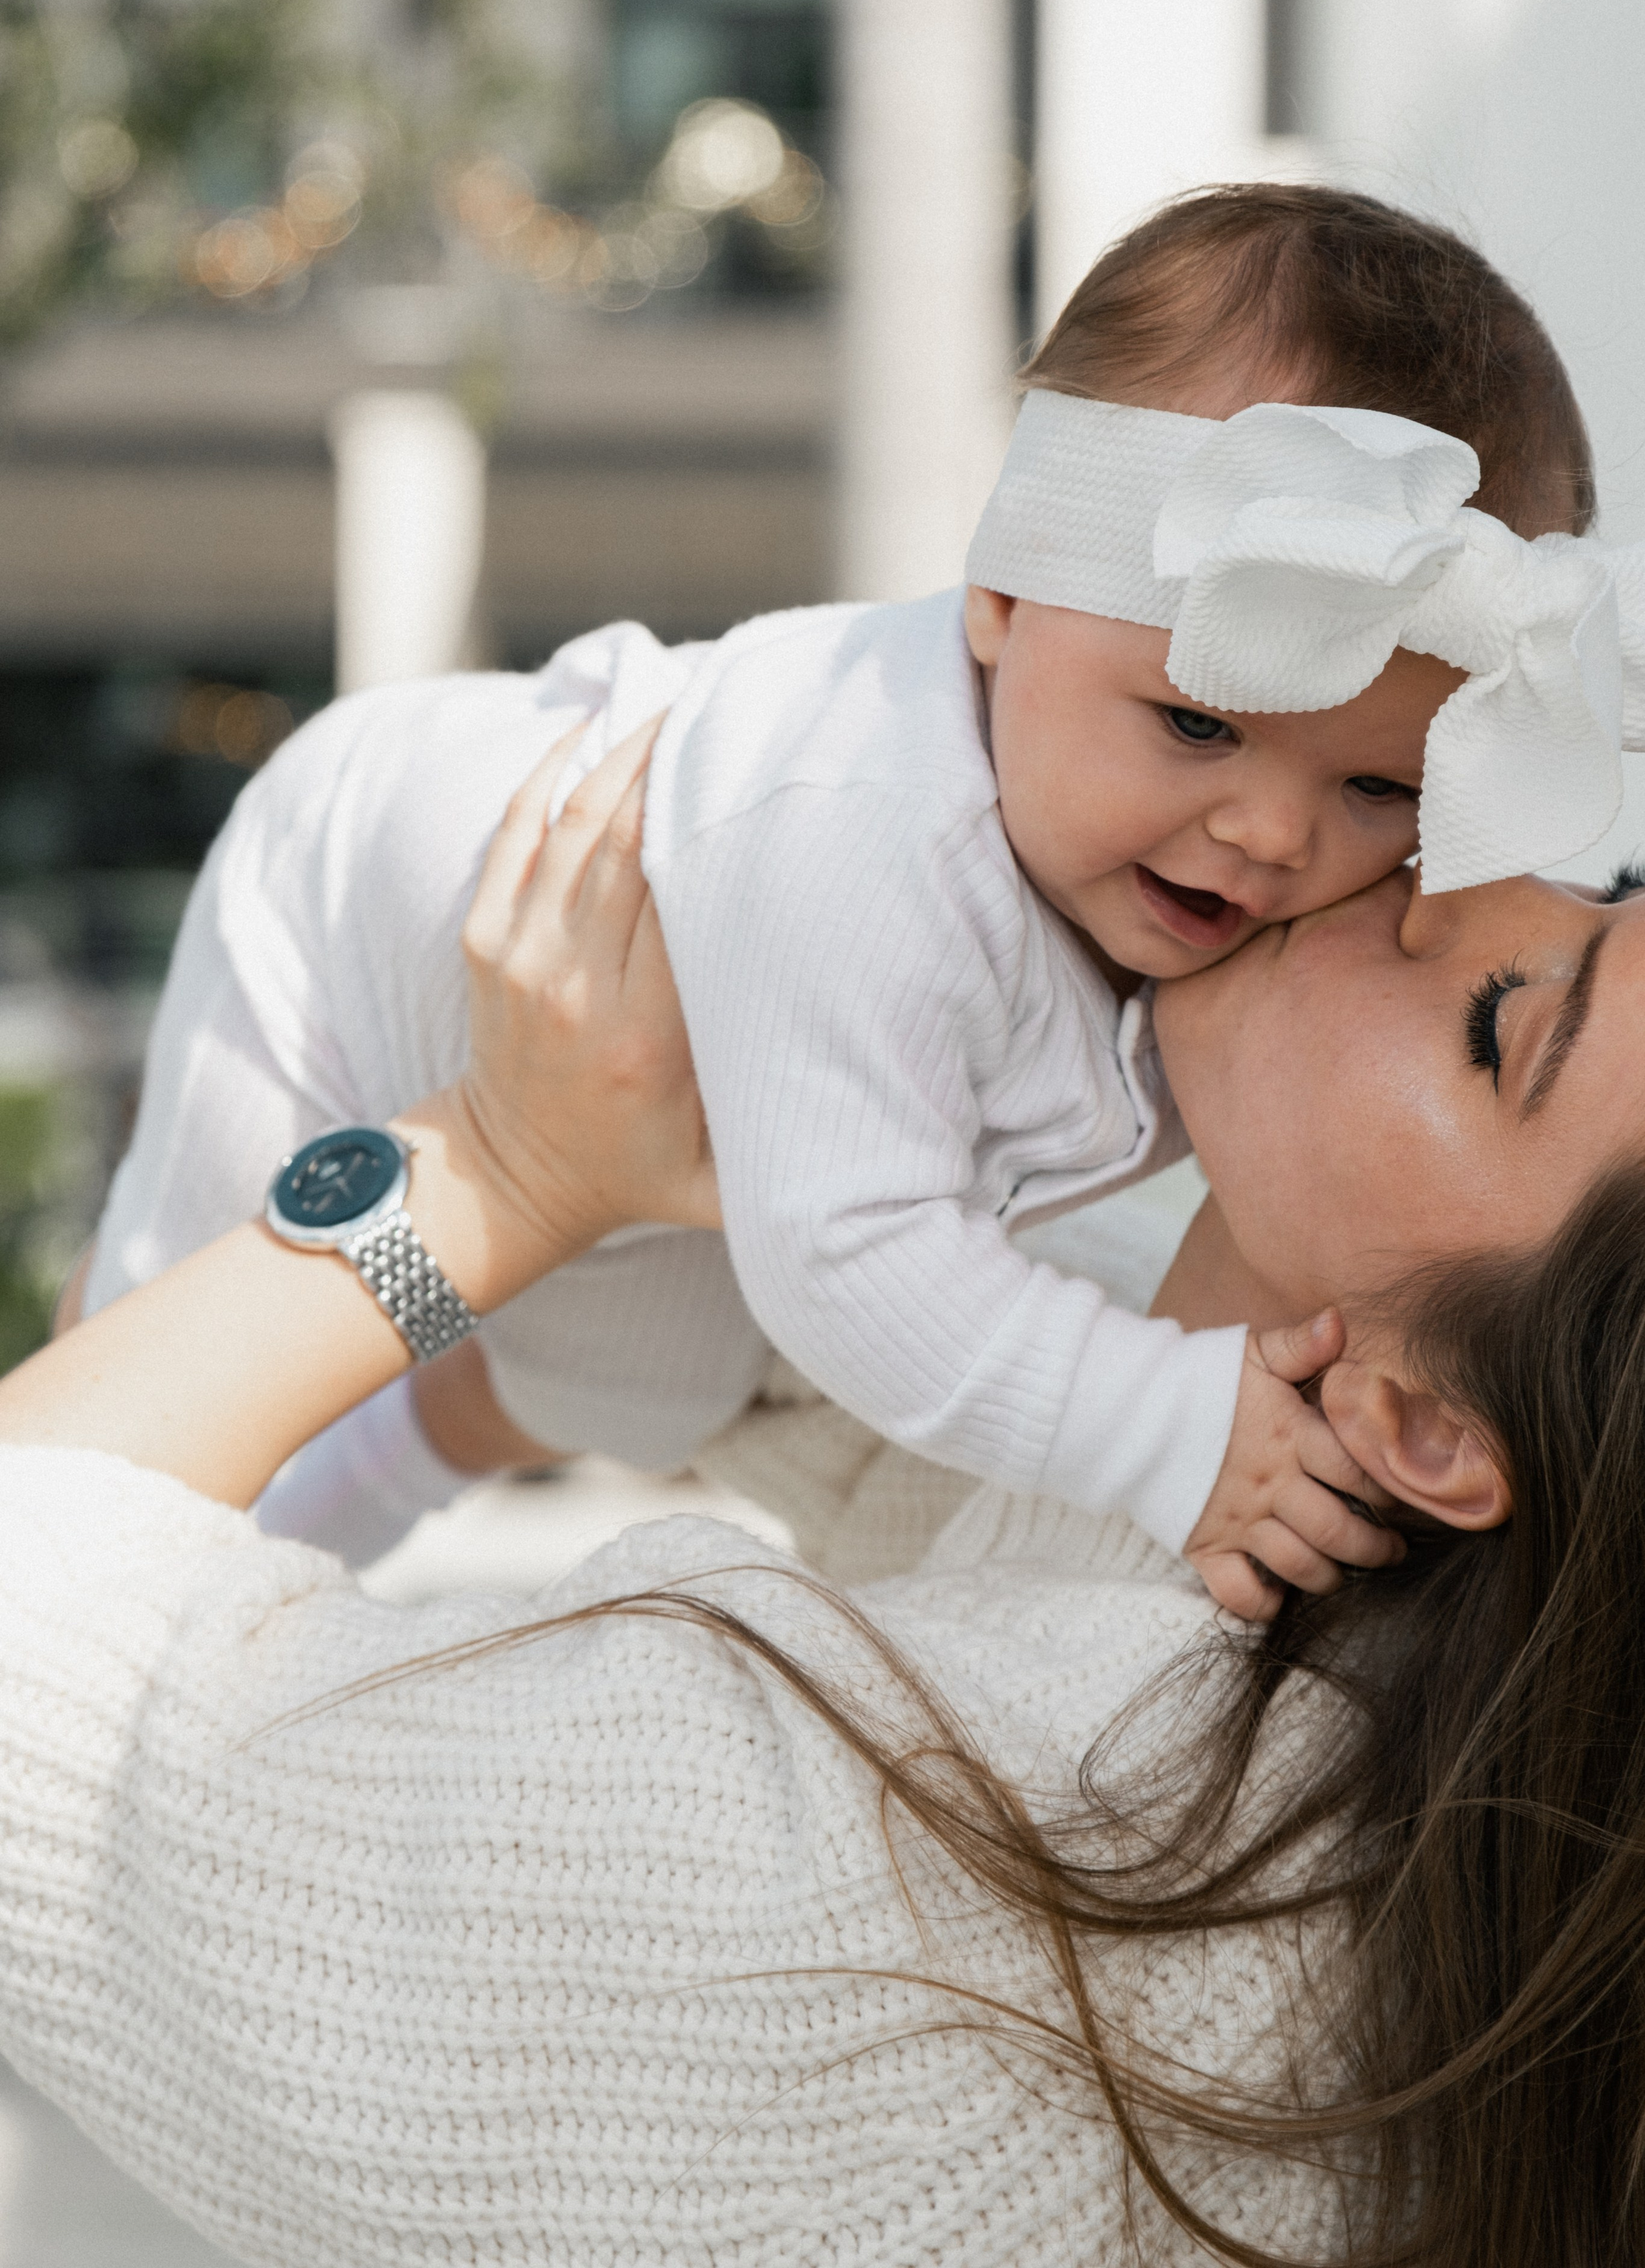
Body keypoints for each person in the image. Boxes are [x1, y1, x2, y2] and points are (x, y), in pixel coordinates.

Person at [1, 729, 1643, 2267]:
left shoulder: (977, 1927)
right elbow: (856, 1373)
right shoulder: (1398, 1730)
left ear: (1424, 1434)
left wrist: (495, 1172)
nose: (1445, 869)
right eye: (1608, 892)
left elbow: (38, 1653)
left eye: (1500, 1025)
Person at [79, 184, 1636, 1624]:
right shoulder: (862, 834)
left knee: (638, 1383)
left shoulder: (1179, 877)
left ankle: (377, 1478)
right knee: (154, 1402)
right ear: (1002, 602)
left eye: (1375, 791)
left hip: (641, 1157)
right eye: (1193, 724)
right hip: (350, 908)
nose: (1266, 834)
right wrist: (1162, 1432)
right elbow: (849, 1264)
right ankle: (114, 1561)